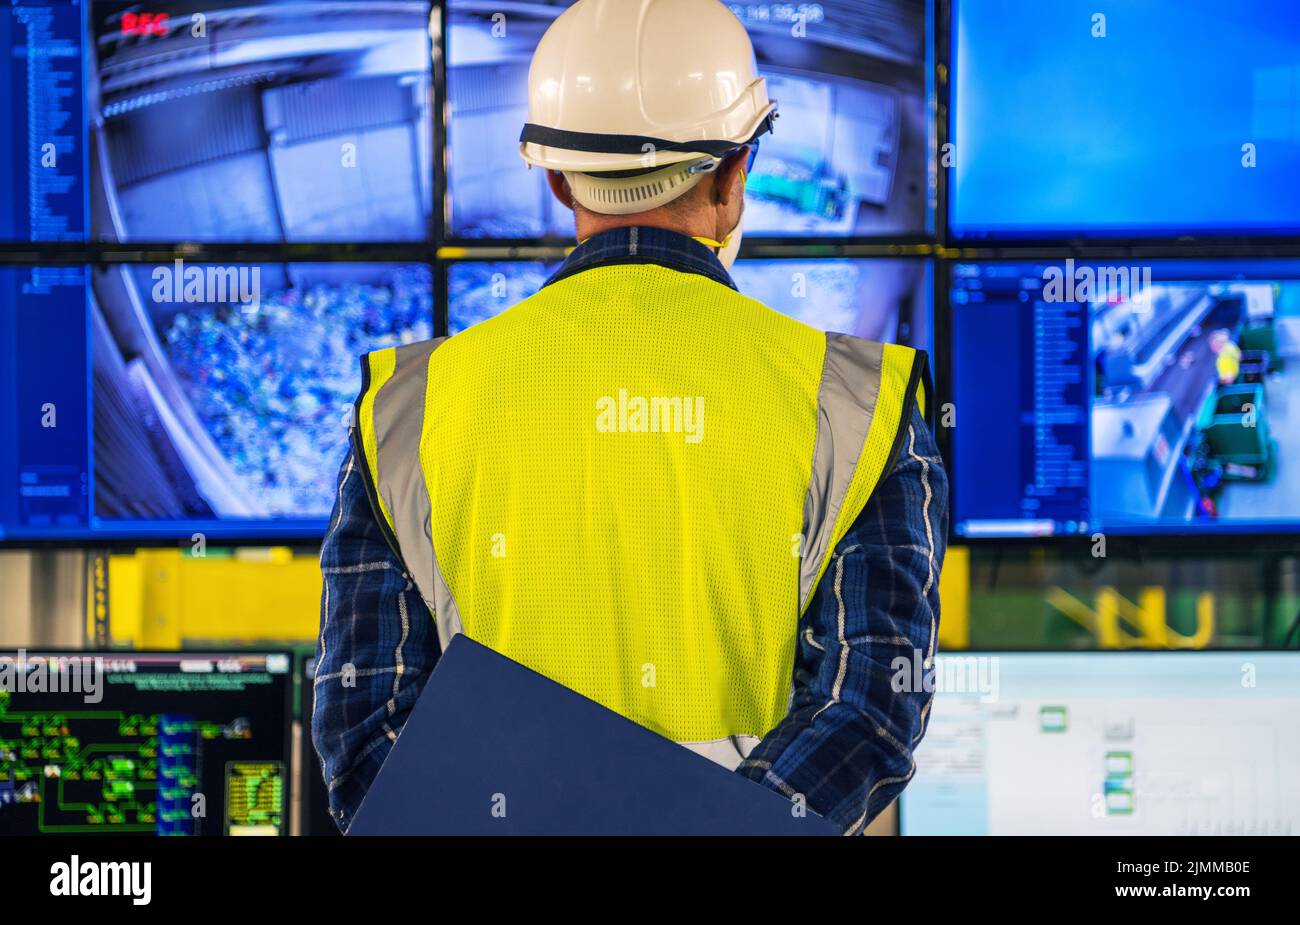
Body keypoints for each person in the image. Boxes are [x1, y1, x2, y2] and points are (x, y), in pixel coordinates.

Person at [313, 0, 948, 835]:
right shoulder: (858, 403)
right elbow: (869, 707)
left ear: (555, 179)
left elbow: (366, 738)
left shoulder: (408, 407)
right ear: (734, 176)